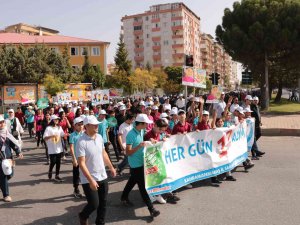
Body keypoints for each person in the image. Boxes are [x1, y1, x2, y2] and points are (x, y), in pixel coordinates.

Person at [76, 115, 116, 225]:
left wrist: (111, 167)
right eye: (94, 125)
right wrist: (91, 180)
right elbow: (81, 163)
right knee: (94, 204)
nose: (97, 126)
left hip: (102, 175)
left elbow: (104, 153)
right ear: (87, 126)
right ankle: (83, 215)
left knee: (103, 203)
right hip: (88, 178)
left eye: (97, 124)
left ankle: (100, 222)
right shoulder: (81, 141)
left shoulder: (99, 137)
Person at [121, 114, 160, 218]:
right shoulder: (130, 135)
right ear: (141, 123)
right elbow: (128, 152)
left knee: (133, 180)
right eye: (146, 123)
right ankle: (151, 209)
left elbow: (145, 138)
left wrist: (151, 140)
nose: (148, 125)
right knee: (143, 187)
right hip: (135, 164)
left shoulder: (141, 130)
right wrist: (139, 146)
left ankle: (123, 197)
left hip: (142, 161)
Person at [0, 115, 23, 202]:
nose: (1, 124)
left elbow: (13, 144)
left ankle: (1, 184)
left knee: (11, 174)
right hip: (1, 159)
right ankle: (6, 195)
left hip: (9, 158)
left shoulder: (7, 133)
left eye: (2, 122)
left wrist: (18, 152)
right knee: (4, 176)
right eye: (0, 123)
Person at [43, 115, 65, 182]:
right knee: (53, 161)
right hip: (52, 148)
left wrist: (67, 135)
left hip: (59, 147)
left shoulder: (59, 127)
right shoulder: (48, 128)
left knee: (58, 162)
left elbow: (63, 134)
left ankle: (57, 175)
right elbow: (44, 137)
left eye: (58, 119)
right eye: (55, 119)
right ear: (52, 120)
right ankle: (50, 171)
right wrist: (51, 136)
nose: (57, 120)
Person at [69, 117, 84, 198]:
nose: (81, 126)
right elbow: (71, 147)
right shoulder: (72, 135)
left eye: (82, 124)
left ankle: (86, 189)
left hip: (84, 158)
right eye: (79, 125)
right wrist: (74, 159)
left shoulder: (85, 133)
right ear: (74, 126)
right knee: (76, 174)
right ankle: (76, 189)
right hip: (77, 158)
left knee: (85, 173)